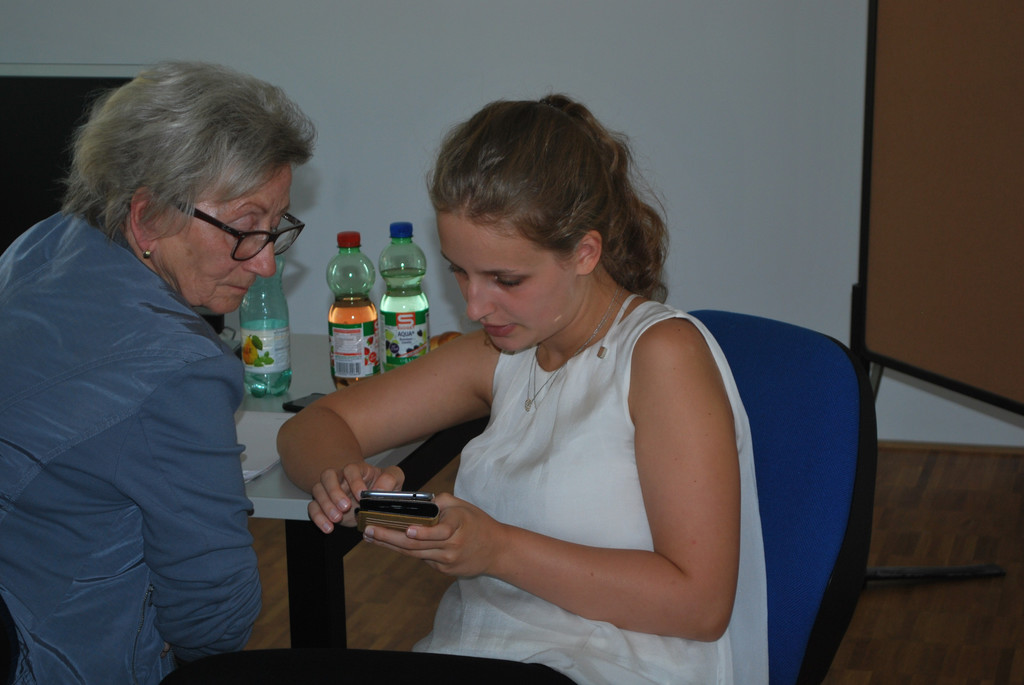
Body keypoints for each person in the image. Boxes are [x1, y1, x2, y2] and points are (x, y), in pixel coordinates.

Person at [169, 94, 768, 685]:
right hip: (489, 656)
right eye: (459, 270)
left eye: (506, 279)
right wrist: (344, 476)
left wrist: (499, 550)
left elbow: (700, 607)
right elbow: (314, 426)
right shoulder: (502, 351)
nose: (476, 305)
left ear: (585, 253)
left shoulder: (662, 354)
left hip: (615, 666)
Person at [0, 61, 315, 684]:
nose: (265, 265)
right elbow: (215, 615)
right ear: (145, 217)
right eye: (244, 228)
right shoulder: (176, 371)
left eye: (274, 227)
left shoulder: (42, 244)